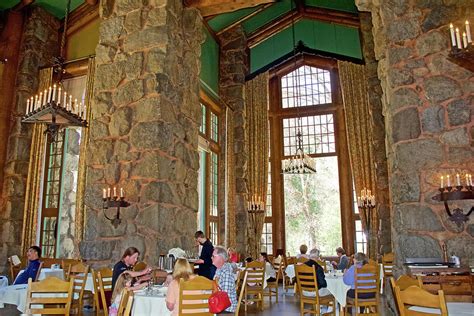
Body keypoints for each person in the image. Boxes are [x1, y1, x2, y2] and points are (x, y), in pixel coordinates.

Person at [212, 246, 238, 313]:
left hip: (227, 309)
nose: (211, 258)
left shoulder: (226, 273)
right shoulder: (219, 269)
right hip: (222, 306)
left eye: (213, 256)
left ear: (220, 258)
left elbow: (225, 297)